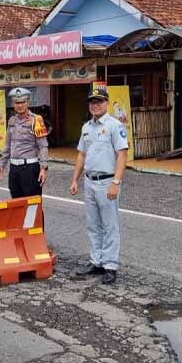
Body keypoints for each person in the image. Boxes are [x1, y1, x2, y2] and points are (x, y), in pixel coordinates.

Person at [69, 87, 128, 284]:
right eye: (92, 102)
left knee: (109, 226)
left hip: (107, 182)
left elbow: (122, 155)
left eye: (99, 101)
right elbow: (81, 155)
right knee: (93, 224)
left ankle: (110, 265)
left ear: (107, 103)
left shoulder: (115, 125)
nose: (95, 105)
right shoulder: (86, 127)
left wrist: (116, 182)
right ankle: (97, 262)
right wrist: (75, 179)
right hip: (89, 181)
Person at [0, 87, 49, 198]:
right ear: (13, 104)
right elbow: (7, 146)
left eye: (22, 102)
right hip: (14, 169)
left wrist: (43, 168)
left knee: (33, 206)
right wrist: (1, 165)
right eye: (17, 102)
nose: (20, 105)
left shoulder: (36, 120)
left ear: (28, 102)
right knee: (16, 205)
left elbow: (43, 146)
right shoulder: (12, 121)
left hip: (30, 169)